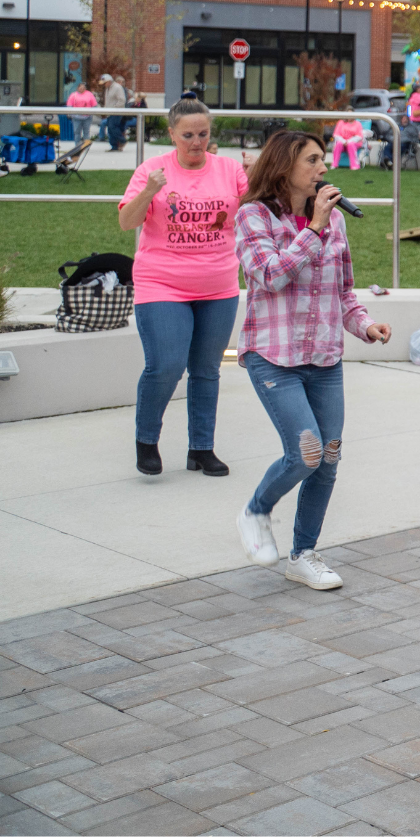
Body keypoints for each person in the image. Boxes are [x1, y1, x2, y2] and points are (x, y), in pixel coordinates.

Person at [232, 130, 394, 590]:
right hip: (274, 356)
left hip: (324, 358)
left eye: (323, 160)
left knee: (329, 457)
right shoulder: (253, 217)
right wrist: (314, 229)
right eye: (313, 161)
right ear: (284, 168)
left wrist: (365, 326)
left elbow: (343, 293)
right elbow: (269, 276)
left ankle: (303, 554)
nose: (324, 169)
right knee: (305, 453)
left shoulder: (335, 224)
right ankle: (256, 511)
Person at [117, 99, 250, 477]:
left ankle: (201, 450)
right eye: (188, 135)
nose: (196, 142)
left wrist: (256, 180)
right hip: (162, 283)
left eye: (203, 134)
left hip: (218, 284)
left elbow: (258, 209)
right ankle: (146, 441)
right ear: (172, 134)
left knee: (207, 369)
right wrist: (148, 191)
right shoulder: (151, 170)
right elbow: (127, 221)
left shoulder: (230, 169)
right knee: (166, 366)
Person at [64, 82, 98, 151]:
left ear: (85, 88)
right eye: (80, 87)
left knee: (86, 132)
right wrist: (70, 114)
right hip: (76, 117)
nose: (82, 89)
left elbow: (94, 105)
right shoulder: (73, 95)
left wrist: (92, 112)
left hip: (87, 117)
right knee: (77, 132)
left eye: (83, 88)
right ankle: (77, 146)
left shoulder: (89, 94)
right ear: (77, 88)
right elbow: (69, 105)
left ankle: (86, 146)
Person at [102, 75, 129, 151]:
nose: (104, 85)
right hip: (110, 112)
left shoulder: (117, 87)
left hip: (117, 112)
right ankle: (114, 146)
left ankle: (122, 140)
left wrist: (114, 108)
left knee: (112, 126)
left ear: (109, 81)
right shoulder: (108, 88)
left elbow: (122, 100)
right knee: (110, 129)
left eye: (105, 83)